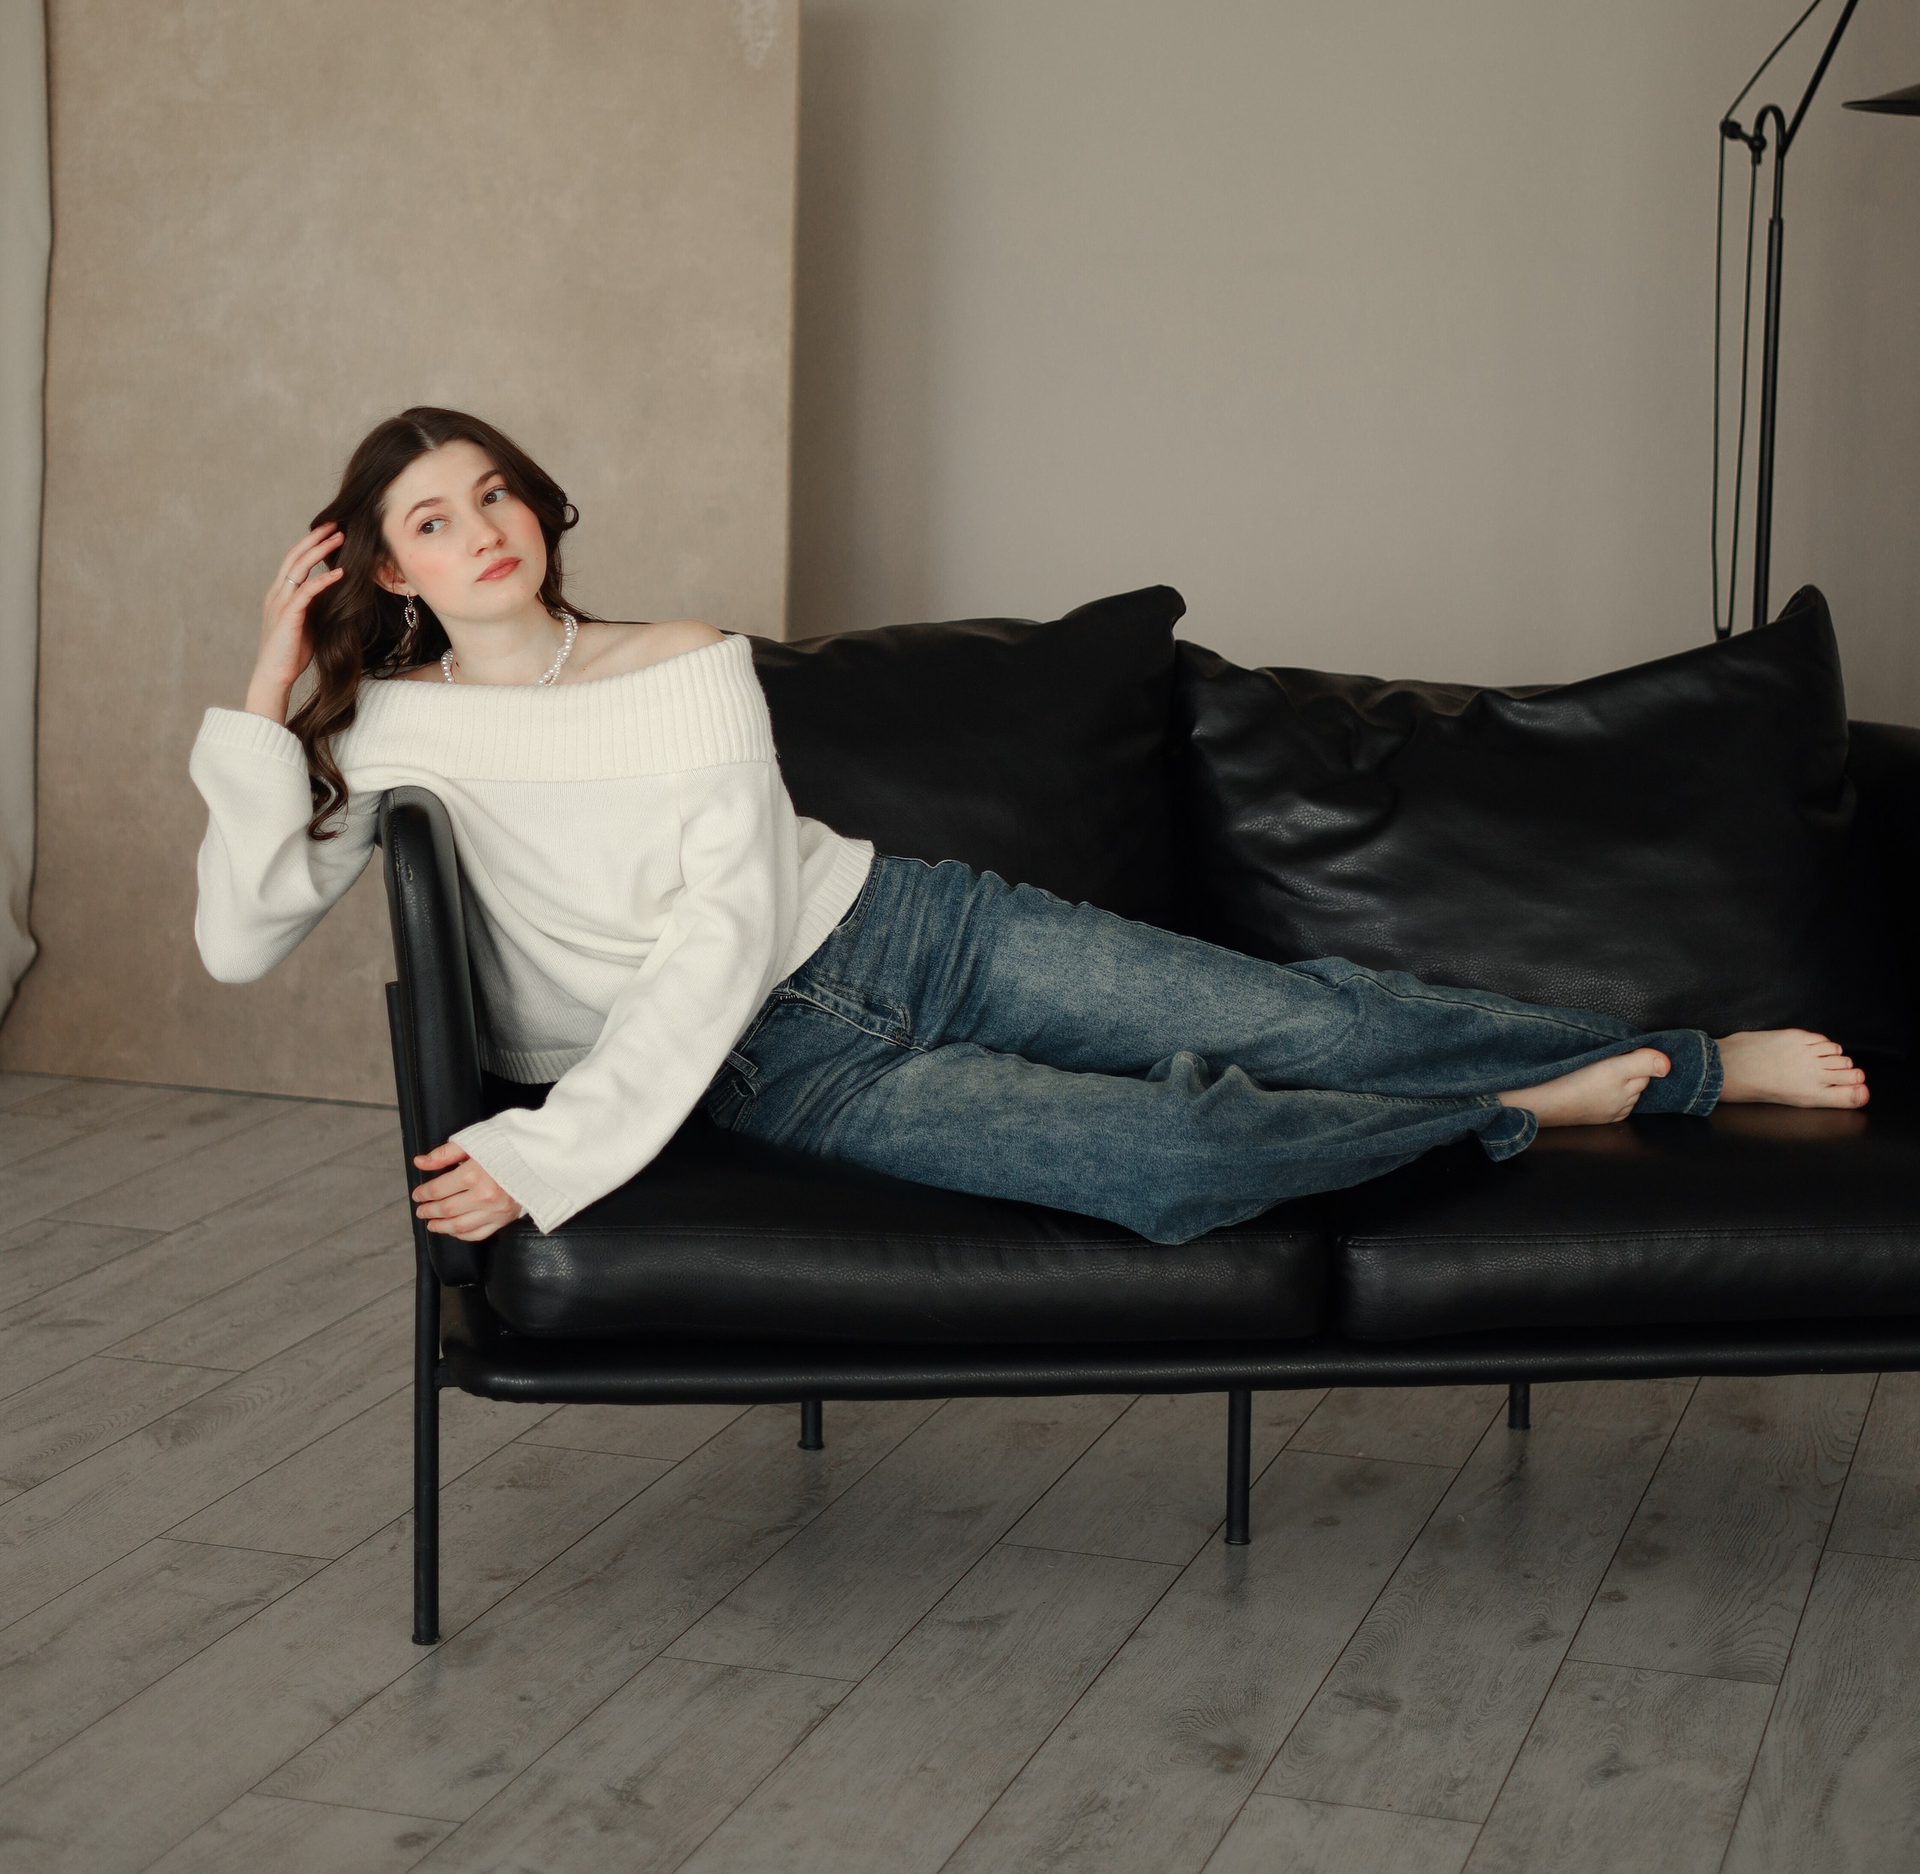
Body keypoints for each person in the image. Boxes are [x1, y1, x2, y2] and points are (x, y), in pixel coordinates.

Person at [191, 407, 1871, 1251]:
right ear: (388, 567)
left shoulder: (684, 660)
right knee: (1176, 1165)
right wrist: (270, 694)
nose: (481, 528)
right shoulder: (389, 730)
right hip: (782, 1073)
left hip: (904, 931)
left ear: (536, 503)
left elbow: (723, 921)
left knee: (1316, 1023)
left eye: (493, 490)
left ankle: (1691, 1062)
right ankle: (1506, 1110)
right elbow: (239, 934)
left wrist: (549, 1155)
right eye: (433, 519)